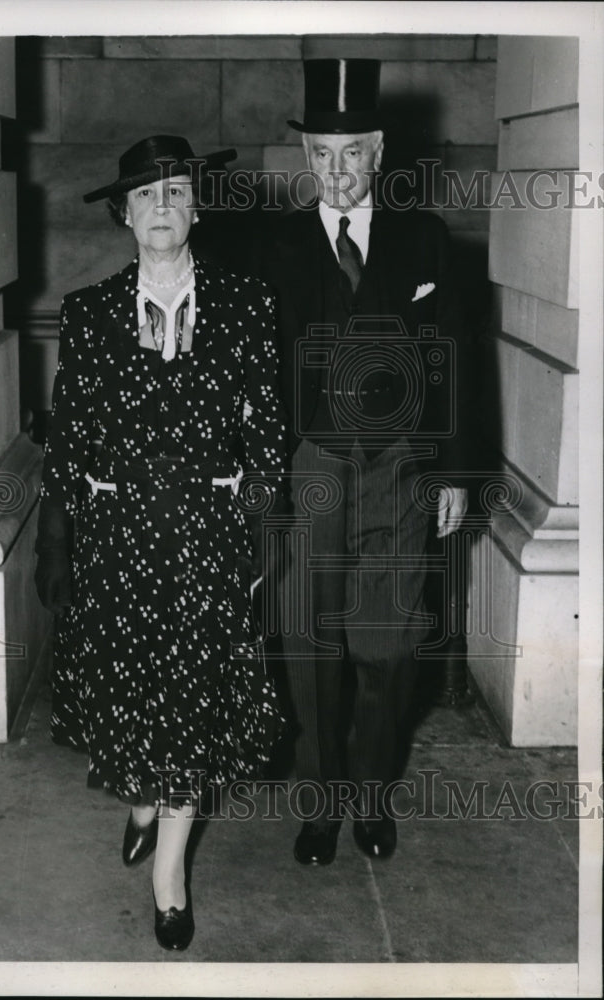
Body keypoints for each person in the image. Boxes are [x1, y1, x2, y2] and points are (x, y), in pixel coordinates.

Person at [33, 134, 286, 951]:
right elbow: (68, 439)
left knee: (190, 704)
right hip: (121, 541)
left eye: (176, 192)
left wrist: (256, 530)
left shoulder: (246, 305)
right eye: (146, 197)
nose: (163, 209)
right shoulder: (89, 312)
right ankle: (141, 799)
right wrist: (58, 543)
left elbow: (269, 437)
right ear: (123, 215)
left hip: (208, 540)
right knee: (132, 689)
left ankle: (168, 874)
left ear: (197, 206)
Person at [260, 59, 471, 864]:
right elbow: (250, 363)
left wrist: (453, 470)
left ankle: (372, 797)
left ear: (378, 151)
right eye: (321, 154)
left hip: (400, 468)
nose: (337, 171)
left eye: (351, 153)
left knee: (384, 644)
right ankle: (318, 804)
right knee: (310, 645)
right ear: (305, 157)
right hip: (309, 463)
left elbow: (455, 354)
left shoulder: (423, 238)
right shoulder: (272, 243)